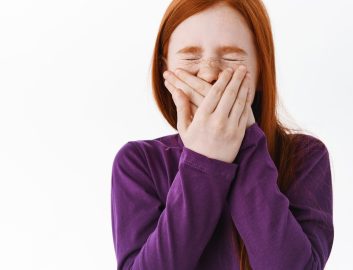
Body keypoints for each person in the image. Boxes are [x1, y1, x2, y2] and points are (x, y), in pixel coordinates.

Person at [111, 0, 334, 269]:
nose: (208, 72)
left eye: (231, 57)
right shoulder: (139, 163)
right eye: (191, 56)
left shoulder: (304, 157)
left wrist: (244, 144)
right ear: (164, 70)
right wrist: (203, 161)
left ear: (261, 70)